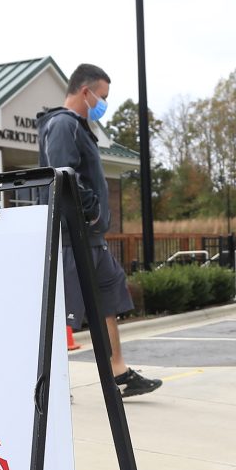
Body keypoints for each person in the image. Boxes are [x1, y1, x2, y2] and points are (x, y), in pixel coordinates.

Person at [37, 64, 161, 398]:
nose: (103, 104)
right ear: (85, 92)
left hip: (90, 238)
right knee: (63, 310)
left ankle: (118, 372)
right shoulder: (62, 125)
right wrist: (90, 210)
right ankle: (51, 385)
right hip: (71, 236)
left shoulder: (78, 127)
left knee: (109, 296)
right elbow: (62, 172)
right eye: (102, 97)